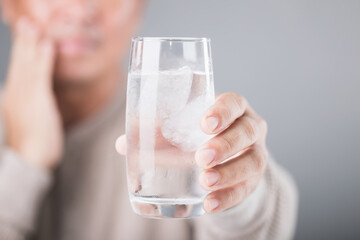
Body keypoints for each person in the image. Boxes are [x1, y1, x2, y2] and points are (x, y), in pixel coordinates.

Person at [0, 0, 298, 239]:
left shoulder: (180, 126)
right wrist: (25, 163)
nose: (79, 9)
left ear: (140, 6)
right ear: (8, 5)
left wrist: (238, 194)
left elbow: (259, 226)